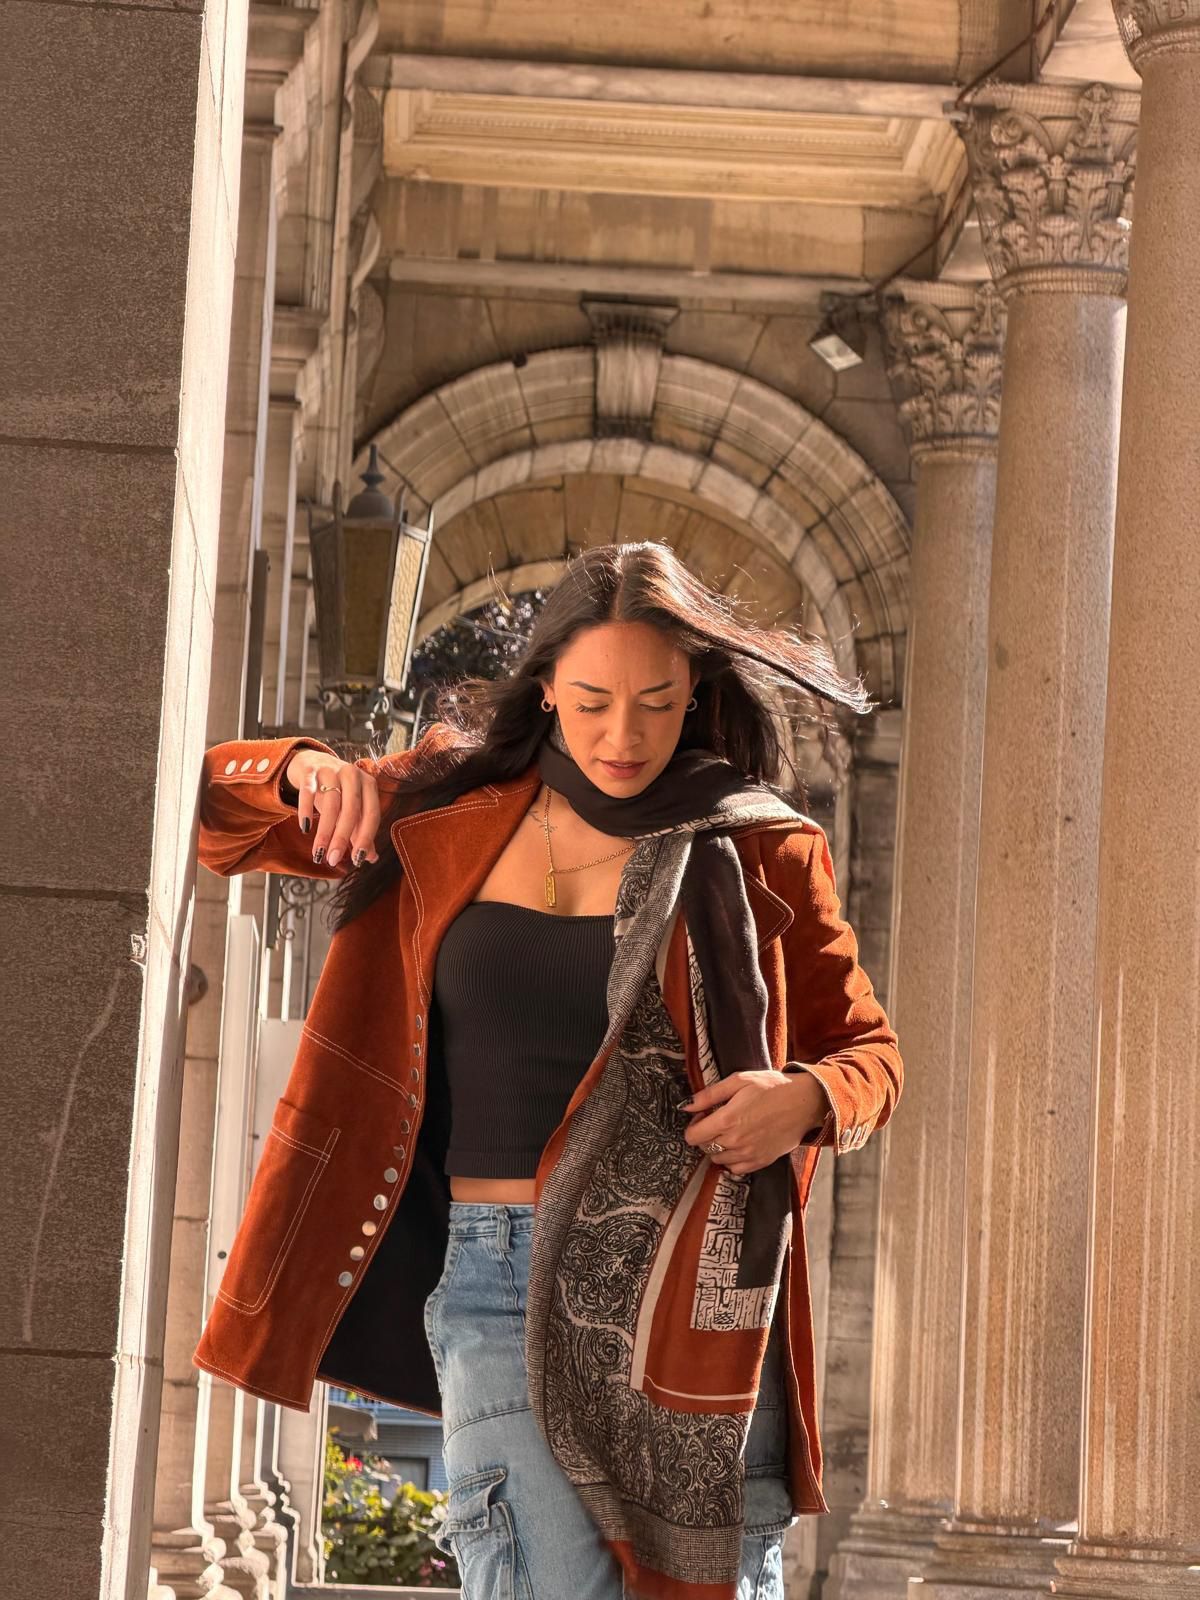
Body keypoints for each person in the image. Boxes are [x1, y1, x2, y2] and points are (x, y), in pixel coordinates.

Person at [192, 540, 903, 1600]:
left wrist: (801, 1098)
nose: (625, 736)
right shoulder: (441, 808)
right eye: (593, 701)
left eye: (657, 703)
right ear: (545, 690)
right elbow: (219, 813)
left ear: (696, 692)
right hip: (493, 1283)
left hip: (692, 1289)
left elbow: (869, 1057)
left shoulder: (765, 847)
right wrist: (304, 768)